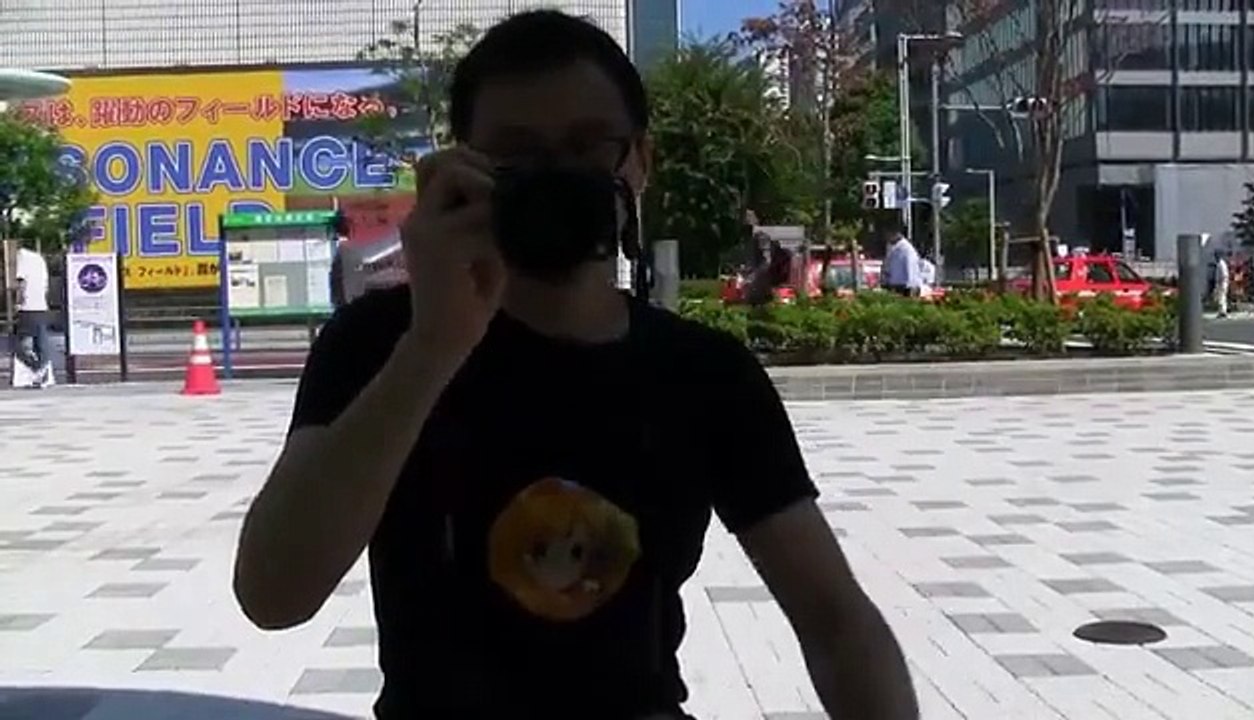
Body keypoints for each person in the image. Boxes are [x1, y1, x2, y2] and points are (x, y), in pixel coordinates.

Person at [233, 11, 917, 720]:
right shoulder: (379, 344)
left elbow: (836, 620)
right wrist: (433, 347)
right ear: (463, 169)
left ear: (640, 162)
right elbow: (274, 595)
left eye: (589, 148)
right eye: (516, 156)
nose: (556, 178)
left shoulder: (703, 374)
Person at [12, 243, 53, 388]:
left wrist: (18, 302)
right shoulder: (40, 260)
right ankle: (41, 373)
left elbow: (21, 283)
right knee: (40, 345)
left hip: (28, 308)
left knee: (22, 346)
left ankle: (38, 371)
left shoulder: (22, 256)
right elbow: (46, 287)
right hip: (41, 307)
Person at [881, 221, 921, 296]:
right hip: (894, 285)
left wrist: (911, 289)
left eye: (888, 234)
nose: (886, 237)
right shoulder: (892, 247)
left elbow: (911, 269)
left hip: (904, 287)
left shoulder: (906, 249)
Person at [1214, 251, 1230, 318]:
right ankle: (1221, 311)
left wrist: (1220, 283)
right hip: (1221, 282)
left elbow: (1224, 275)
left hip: (1222, 283)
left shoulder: (1221, 264)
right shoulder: (1219, 264)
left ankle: (1223, 312)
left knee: (1221, 297)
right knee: (1221, 297)